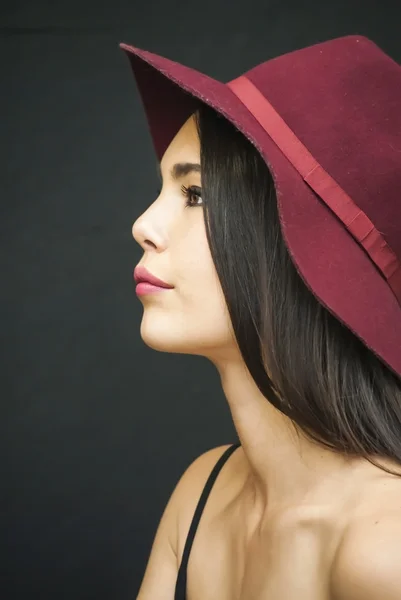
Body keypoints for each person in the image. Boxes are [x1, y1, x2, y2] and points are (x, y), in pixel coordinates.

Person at [122, 35, 401, 599]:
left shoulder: (386, 551)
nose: (143, 225)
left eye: (195, 194)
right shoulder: (201, 493)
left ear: (299, 252)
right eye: (163, 190)